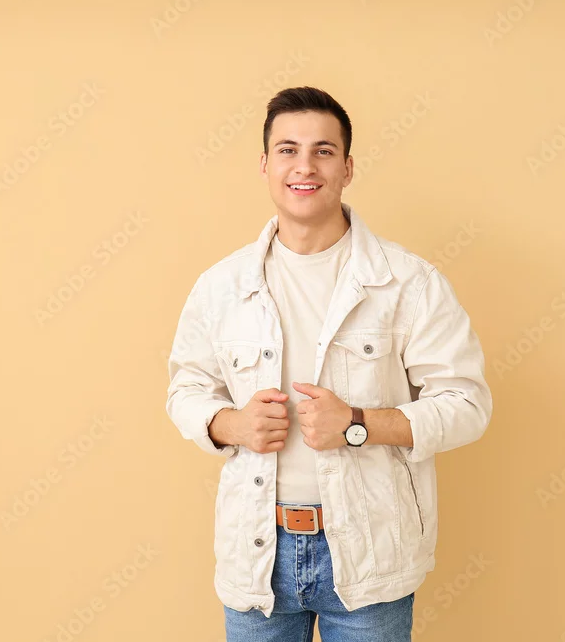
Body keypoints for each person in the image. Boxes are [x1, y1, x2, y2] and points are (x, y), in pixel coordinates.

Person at [166, 85, 493, 642]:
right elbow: (186, 389)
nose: (305, 166)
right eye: (287, 150)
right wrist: (232, 424)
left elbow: (468, 406)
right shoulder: (220, 286)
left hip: (371, 552)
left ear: (347, 167)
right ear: (265, 165)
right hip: (256, 552)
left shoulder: (409, 283)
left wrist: (359, 423)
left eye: (323, 150)